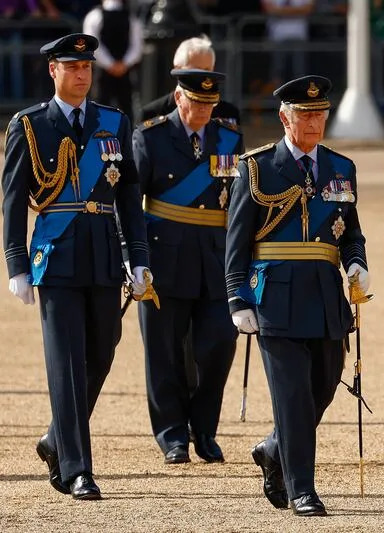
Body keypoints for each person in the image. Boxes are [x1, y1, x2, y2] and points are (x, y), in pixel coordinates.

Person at [2, 33, 150, 500]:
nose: (82, 75)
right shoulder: (30, 125)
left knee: (102, 352)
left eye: (87, 68)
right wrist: (15, 263)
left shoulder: (114, 121)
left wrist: (138, 256)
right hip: (57, 254)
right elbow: (11, 200)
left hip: (104, 252)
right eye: (72, 67)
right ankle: (77, 469)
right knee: (66, 363)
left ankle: (55, 438)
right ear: (53, 71)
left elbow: (128, 195)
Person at [225, 75, 368, 516]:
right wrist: (237, 297)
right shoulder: (258, 168)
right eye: (305, 114)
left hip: (326, 297)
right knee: (291, 397)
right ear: (285, 117)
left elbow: (351, 232)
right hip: (275, 298)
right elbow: (237, 239)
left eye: (320, 113)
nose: (313, 121)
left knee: (322, 389)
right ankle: (301, 488)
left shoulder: (341, 168)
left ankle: (273, 448)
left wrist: (356, 261)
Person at [132, 68, 242, 464]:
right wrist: (135, 258)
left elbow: (239, 203)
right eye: (196, 102)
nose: (203, 110)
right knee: (163, 353)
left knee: (219, 346)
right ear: (178, 98)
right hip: (164, 259)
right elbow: (131, 205)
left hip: (215, 259)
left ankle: (204, 429)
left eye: (210, 104)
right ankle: (172, 435)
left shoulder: (229, 138)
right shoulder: (150, 137)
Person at [140, 35, 240, 125]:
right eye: (196, 70)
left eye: (207, 70)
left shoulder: (228, 113)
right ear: (177, 69)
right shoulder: (153, 113)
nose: (203, 76)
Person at [83, 0, 144, 120]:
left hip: (115, 71)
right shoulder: (131, 17)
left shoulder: (94, 16)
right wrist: (121, 64)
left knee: (103, 109)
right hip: (111, 71)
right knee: (122, 110)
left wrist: (113, 64)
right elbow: (137, 47)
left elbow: (91, 45)